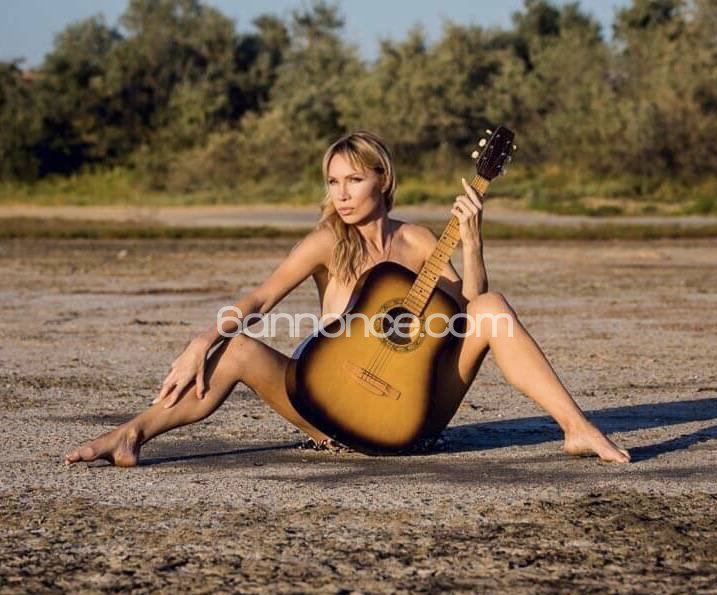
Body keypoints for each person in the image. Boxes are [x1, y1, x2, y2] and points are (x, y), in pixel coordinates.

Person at [64, 130, 630, 467]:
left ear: (383, 180)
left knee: (493, 307)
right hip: (330, 412)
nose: (342, 194)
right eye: (333, 182)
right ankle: (133, 432)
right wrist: (201, 340)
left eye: (354, 180)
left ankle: (576, 428)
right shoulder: (325, 242)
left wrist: (475, 242)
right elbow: (260, 299)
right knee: (236, 350)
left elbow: (471, 315)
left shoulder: (419, 241)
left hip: (411, 413)